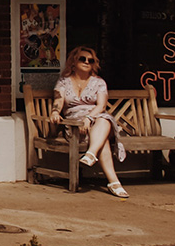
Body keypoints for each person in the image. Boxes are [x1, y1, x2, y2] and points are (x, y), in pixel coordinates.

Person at [52, 46, 128, 198]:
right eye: (82, 59)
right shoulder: (64, 82)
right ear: (73, 61)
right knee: (103, 141)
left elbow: (101, 106)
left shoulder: (99, 82)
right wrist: (55, 111)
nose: (87, 62)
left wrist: (89, 118)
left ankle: (92, 155)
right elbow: (58, 100)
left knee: (103, 118)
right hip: (75, 125)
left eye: (90, 60)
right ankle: (112, 180)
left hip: (96, 118)